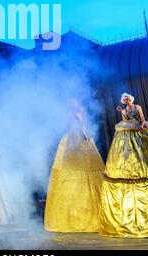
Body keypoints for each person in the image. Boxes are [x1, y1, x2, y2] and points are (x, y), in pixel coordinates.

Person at [100, 93, 148, 237]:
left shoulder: (137, 106)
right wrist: (121, 112)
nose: (126, 101)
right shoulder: (124, 110)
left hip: (138, 127)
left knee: (143, 145)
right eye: (124, 100)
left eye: (127, 99)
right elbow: (125, 121)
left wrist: (143, 126)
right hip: (128, 130)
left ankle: (143, 161)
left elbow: (142, 118)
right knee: (126, 144)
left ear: (130, 99)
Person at [44, 98, 105, 232]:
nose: (72, 104)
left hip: (83, 138)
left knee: (90, 168)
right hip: (70, 140)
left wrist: (81, 120)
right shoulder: (67, 114)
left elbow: (87, 126)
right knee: (67, 168)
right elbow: (63, 125)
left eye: (74, 102)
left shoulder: (82, 112)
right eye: (70, 103)